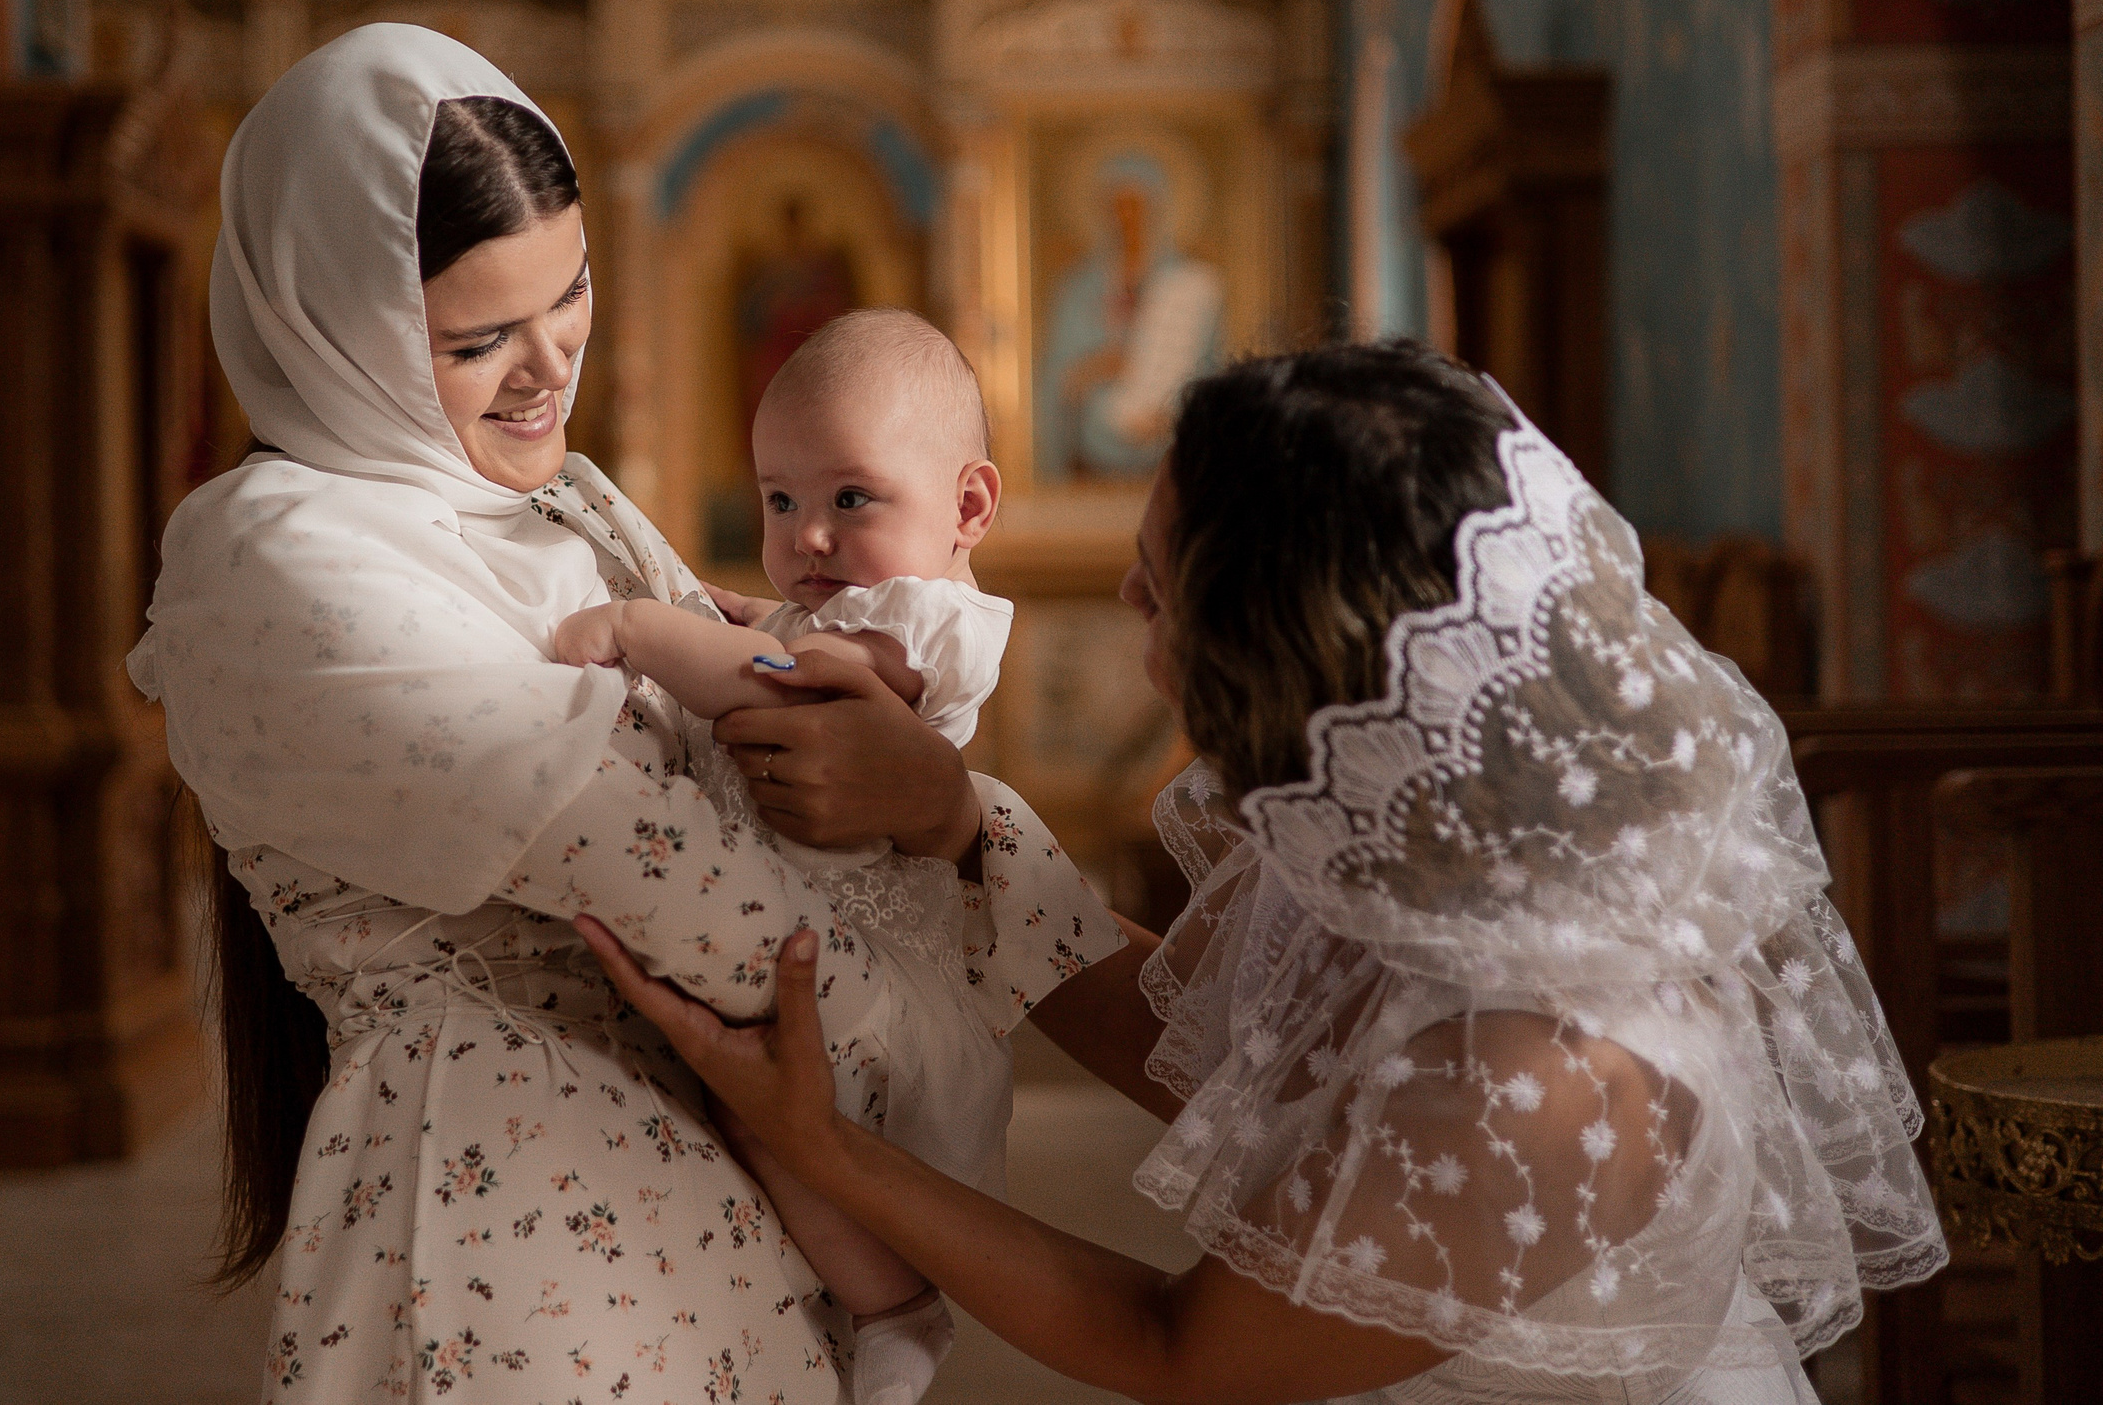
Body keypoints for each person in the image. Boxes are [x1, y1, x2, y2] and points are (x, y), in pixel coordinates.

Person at [581, 341, 1949, 1404]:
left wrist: (826, 1146)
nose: (1126, 596)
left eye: (1161, 582)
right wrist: (950, 825)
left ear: (1289, 660)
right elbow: (1213, 1058)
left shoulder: (1554, 1068)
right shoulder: (1421, 830)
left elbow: (1176, 1344)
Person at [124, 25, 1122, 1404]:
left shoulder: (563, 499)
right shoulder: (274, 548)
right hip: (524, 1220)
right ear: (336, 322)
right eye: (480, 339)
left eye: (572, 302)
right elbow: (652, 862)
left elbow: (764, 710)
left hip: (733, 1173)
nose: (548, 370)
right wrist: (888, 1042)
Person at [554, 307, 1044, 1405]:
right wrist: (725, 611)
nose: (807, 535)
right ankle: (853, 1304)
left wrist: (642, 631)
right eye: (780, 500)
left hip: (865, 966)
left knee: (784, 1122)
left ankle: (895, 1308)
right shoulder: (843, 607)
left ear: (968, 505)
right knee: (736, 1126)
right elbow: (769, 632)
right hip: (804, 934)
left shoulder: (931, 622)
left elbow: (777, 673)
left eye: (849, 499)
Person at [1035, 150, 1223, 480]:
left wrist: (1172, 412)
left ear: (1157, 210)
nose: (1127, 219)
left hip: (1170, 459)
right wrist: (1090, 369)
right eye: (1117, 207)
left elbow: (1213, 373)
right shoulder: (1078, 289)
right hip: (1093, 458)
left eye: (1137, 206)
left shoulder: (1190, 286)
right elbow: (1055, 379)